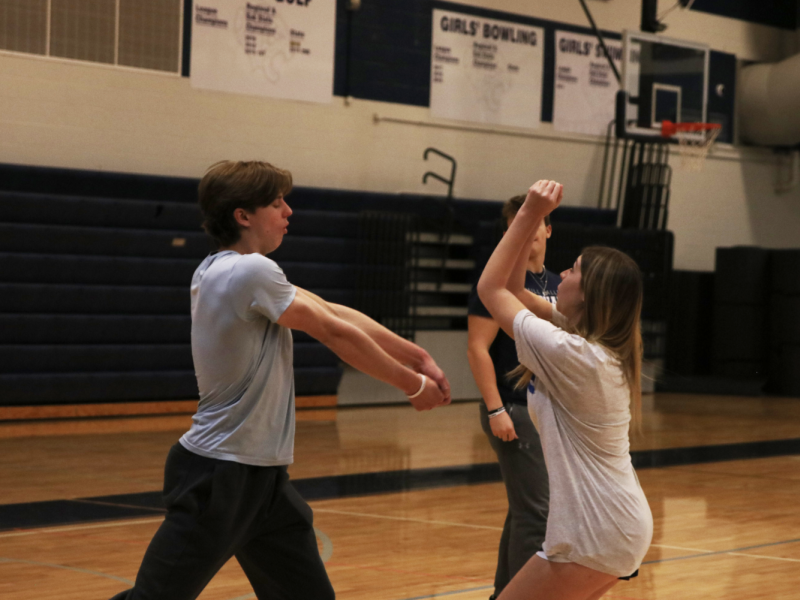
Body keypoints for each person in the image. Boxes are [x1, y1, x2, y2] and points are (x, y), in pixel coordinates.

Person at [110, 160, 451, 600]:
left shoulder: (231, 269)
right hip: (220, 477)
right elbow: (333, 331)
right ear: (243, 216)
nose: (288, 211)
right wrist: (412, 385)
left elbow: (332, 311)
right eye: (276, 202)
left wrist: (416, 354)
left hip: (263, 481)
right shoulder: (248, 272)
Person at [477, 180, 653, 600]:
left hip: (596, 532)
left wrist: (527, 215)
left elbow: (491, 290)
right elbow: (518, 290)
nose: (565, 273)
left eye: (573, 270)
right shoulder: (586, 343)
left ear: (588, 295)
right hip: (611, 527)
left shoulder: (574, 354)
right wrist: (534, 216)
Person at [467, 196, 558, 600]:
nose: (527, 231)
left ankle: (503, 593)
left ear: (547, 229)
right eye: (517, 225)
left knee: (525, 507)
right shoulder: (497, 283)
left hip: (547, 411)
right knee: (537, 512)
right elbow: (477, 348)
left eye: (535, 222)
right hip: (514, 408)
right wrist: (496, 409)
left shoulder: (558, 285)